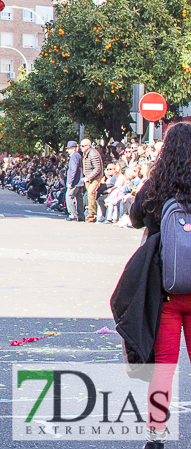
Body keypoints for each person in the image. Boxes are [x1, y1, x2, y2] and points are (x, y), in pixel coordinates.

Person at [124, 123, 191, 449]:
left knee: (164, 365)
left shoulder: (157, 187)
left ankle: (156, 434)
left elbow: (134, 217)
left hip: (164, 289)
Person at [81, 138, 104, 223]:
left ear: (88, 146)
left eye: (83, 146)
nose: (81, 148)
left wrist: (88, 177)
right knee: (89, 194)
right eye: (81, 146)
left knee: (91, 193)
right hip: (89, 177)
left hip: (95, 177)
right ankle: (90, 211)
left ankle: (92, 213)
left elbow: (97, 168)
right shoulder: (86, 153)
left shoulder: (93, 153)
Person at [64, 140, 84, 221]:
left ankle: (73, 214)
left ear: (73, 148)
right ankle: (81, 216)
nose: (67, 150)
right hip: (79, 181)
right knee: (79, 198)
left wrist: (70, 181)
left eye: (68, 149)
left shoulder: (74, 156)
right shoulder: (78, 155)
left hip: (75, 182)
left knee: (69, 196)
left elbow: (73, 169)